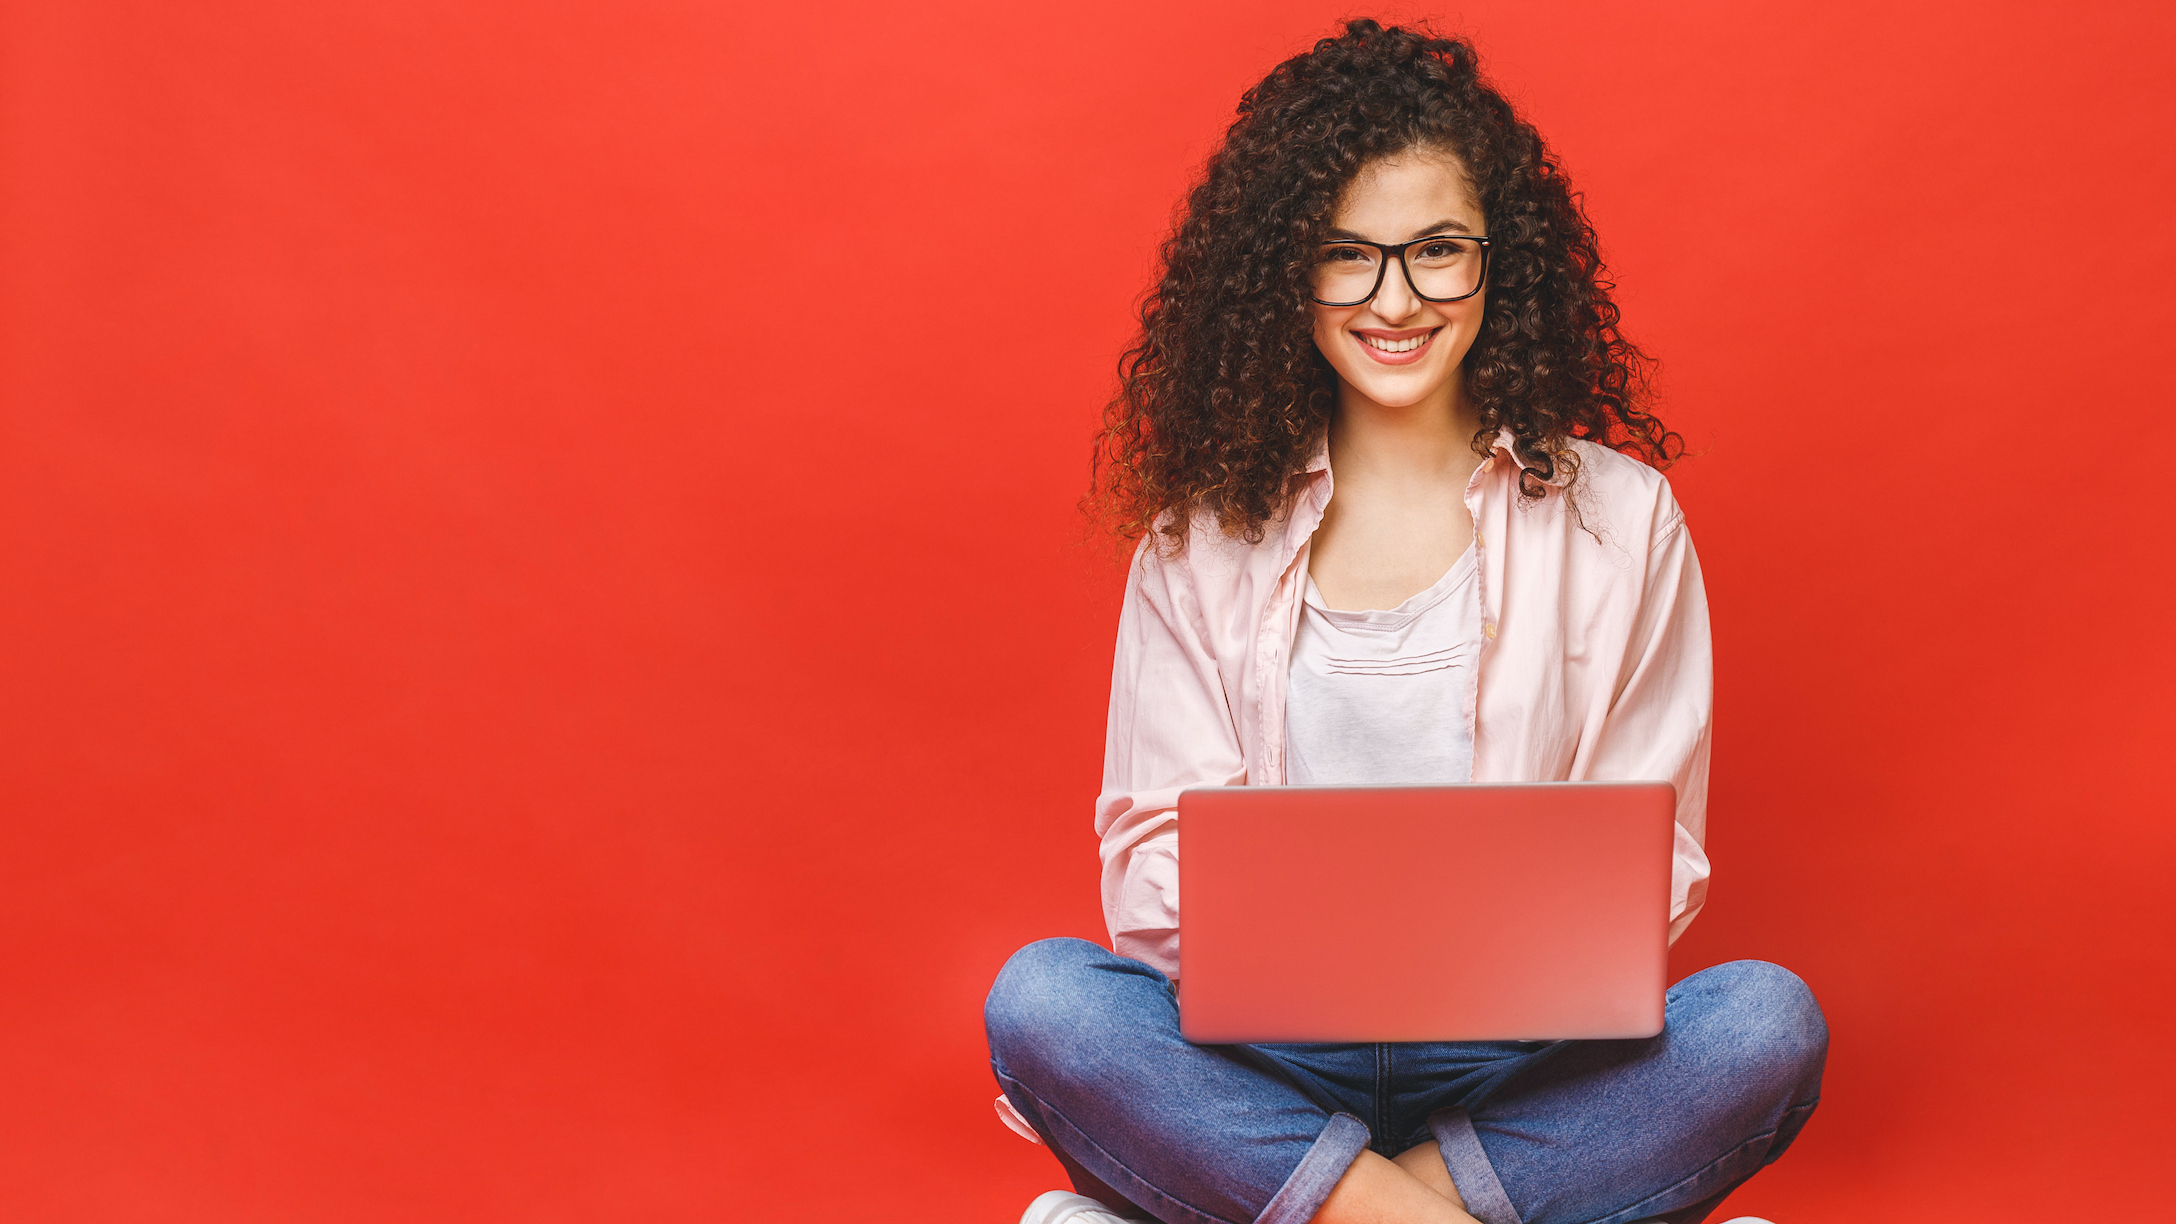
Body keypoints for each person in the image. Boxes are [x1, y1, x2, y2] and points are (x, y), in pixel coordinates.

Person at [983, 19, 1827, 1224]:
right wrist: (1299, 944)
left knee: (1760, 1023)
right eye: (1348, 255)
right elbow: (1147, 867)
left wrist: (1497, 954)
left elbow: (1659, 863)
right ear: (1289, 271)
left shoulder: (1623, 520)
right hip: (1263, 1060)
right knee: (1047, 1002)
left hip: (1517, 1069)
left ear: (1503, 260)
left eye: (1437, 251)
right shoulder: (1201, 535)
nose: (1396, 300)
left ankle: (1331, 1208)